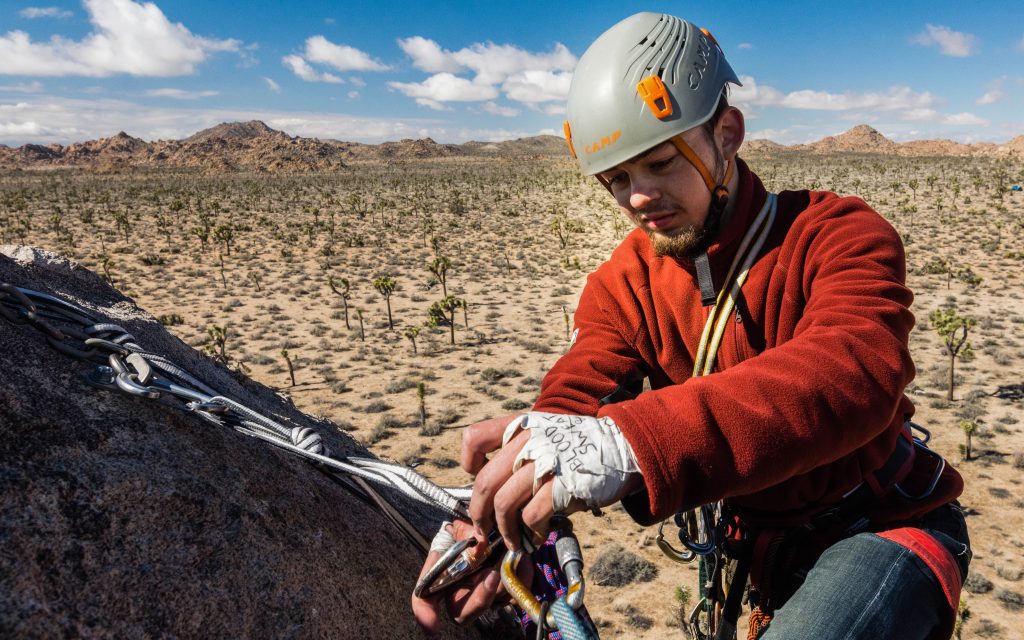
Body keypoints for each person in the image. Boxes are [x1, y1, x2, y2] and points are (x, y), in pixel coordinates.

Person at [413, 12, 970, 640]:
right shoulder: (625, 284)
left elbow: (854, 371)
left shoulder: (836, 236)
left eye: (657, 163)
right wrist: (498, 526)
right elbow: (573, 401)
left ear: (726, 134)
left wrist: (625, 444)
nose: (638, 197)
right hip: (763, 556)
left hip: (884, 527)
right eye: (617, 178)